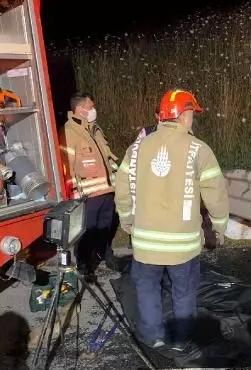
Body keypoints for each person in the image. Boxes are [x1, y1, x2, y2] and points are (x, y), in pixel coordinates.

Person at [114, 88, 229, 350]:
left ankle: (154, 336)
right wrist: (219, 226)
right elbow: (216, 193)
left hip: (145, 244)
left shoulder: (137, 148)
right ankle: (180, 340)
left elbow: (122, 187)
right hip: (183, 246)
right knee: (184, 292)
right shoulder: (199, 150)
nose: (193, 119)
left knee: (147, 289)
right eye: (192, 113)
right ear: (183, 114)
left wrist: (126, 218)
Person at [58, 92, 119, 276]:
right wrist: (73, 193)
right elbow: (66, 164)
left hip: (107, 190)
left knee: (105, 226)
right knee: (87, 230)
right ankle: (84, 264)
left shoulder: (95, 129)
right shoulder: (68, 132)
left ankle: (104, 254)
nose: (93, 110)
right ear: (79, 109)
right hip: (87, 195)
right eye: (90, 106)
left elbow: (106, 158)